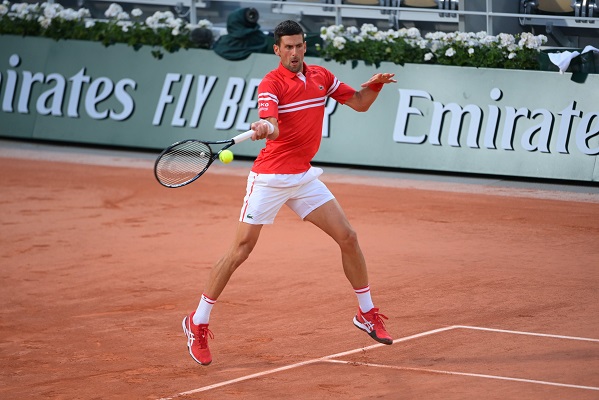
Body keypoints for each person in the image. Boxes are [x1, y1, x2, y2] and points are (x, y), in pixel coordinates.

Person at [182, 20, 397, 366]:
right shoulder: (271, 83)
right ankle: (198, 321)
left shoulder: (322, 77)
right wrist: (264, 126)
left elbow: (359, 103)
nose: (294, 52)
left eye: (299, 46)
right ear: (277, 50)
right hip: (269, 178)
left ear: (304, 46)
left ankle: (367, 313)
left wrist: (375, 86)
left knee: (348, 237)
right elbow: (272, 123)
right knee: (240, 251)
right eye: (288, 47)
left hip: (303, 177)